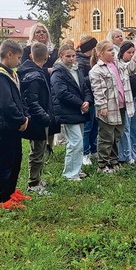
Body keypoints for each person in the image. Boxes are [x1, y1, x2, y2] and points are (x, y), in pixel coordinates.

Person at [0, 39, 31, 210]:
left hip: (14, 125)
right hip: (6, 125)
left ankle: (11, 190)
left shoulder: (10, 73)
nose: (19, 62)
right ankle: (4, 198)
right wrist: (20, 119)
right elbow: (6, 104)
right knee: (4, 160)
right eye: (18, 58)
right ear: (9, 54)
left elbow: (18, 99)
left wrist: (25, 116)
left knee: (15, 158)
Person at [89, 40, 136, 173]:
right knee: (106, 136)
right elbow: (97, 91)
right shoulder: (96, 70)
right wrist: (102, 106)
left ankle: (113, 161)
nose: (113, 52)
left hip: (121, 106)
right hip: (107, 108)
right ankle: (102, 165)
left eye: (113, 50)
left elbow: (132, 68)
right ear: (100, 53)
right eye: (109, 50)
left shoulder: (117, 64)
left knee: (117, 135)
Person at [51, 44, 93, 181]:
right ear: (61, 57)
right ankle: (69, 174)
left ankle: (77, 169)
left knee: (79, 142)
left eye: (73, 55)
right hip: (67, 110)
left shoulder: (77, 69)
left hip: (79, 109)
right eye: (68, 56)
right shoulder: (58, 72)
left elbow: (85, 88)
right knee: (75, 142)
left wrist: (87, 101)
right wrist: (80, 103)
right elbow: (61, 93)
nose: (71, 58)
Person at [17, 42, 53, 195]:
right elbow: (32, 102)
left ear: (31, 56)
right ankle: (33, 182)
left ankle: (37, 177)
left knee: (38, 149)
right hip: (37, 118)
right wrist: (45, 117)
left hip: (35, 117)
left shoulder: (28, 71)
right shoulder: (35, 76)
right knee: (37, 151)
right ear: (47, 57)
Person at [117, 41, 136, 164]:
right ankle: (126, 154)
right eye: (128, 52)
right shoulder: (119, 65)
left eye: (132, 52)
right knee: (126, 128)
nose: (131, 54)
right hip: (127, 98)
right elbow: (131, 67)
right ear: (122, 53)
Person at [76, 36, 99, 165]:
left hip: (95, 97)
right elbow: (82, 81)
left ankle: (94, 148)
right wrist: (94, 78)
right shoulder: (80, 62)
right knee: (87, 127)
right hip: (87, 98)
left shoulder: (92, 60)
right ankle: (85, 153)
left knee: (95, 126)